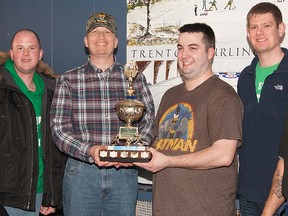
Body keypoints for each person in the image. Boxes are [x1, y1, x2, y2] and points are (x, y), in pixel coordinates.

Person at [50, 12, 155, 216]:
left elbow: (150, 119)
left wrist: (130, 151)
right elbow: (59, 129)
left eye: (107, 32)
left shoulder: (135, 78)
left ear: (115, 42)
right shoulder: (68, 80)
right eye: (95, 32)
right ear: (86, 41)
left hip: (124, 174)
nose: (101, 37)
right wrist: (90, 150)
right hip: (81, 173)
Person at [134, 23, 243, 215]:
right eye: (180, 48)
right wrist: (127, 153)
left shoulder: (223, 96)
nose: (184, 55)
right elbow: (157, 142)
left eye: (193, 48)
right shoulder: (170, 95)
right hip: (166, 208)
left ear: (210, 53)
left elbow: (223, 155)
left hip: (205, 210)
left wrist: (167, 161)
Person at [0, 29, 67, 216]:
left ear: (40, 54)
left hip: (39, 195)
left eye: (32, 48)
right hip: (6, 198)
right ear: (12, 54)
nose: (26, 53)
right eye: (20, 48)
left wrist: (52, 195)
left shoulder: (53, 91)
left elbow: (58, 152)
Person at [237, 2, 288, 215]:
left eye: (266, 25)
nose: (260, 32)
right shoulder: (244, 77)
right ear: (248, 34)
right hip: (248, 193)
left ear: (281, 29)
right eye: (254, 27)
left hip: (283, 195)